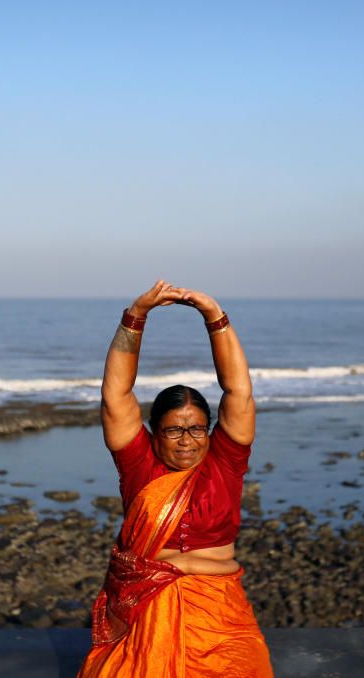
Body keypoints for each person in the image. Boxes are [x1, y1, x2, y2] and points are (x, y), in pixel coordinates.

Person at [78, 281, 274, 677]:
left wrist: (215, 317)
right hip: (147, 610)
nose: (187, 441)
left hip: (220, 615)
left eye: (197, 429)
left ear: (209, 430)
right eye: (174, 431)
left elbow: (238, 390)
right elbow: (116, 395)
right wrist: (135, 315)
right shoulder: (139, 464)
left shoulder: (225, 461)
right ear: (154, 432)